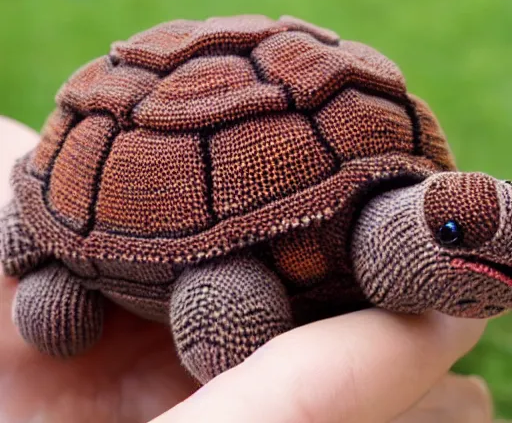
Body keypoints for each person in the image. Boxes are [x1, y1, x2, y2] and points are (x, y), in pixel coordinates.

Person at [0, 116, 496, 423]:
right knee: (56, 319)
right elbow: (212, 295)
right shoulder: (244, 272)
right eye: (449, 232)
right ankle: (44, 241)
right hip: (132, 215)